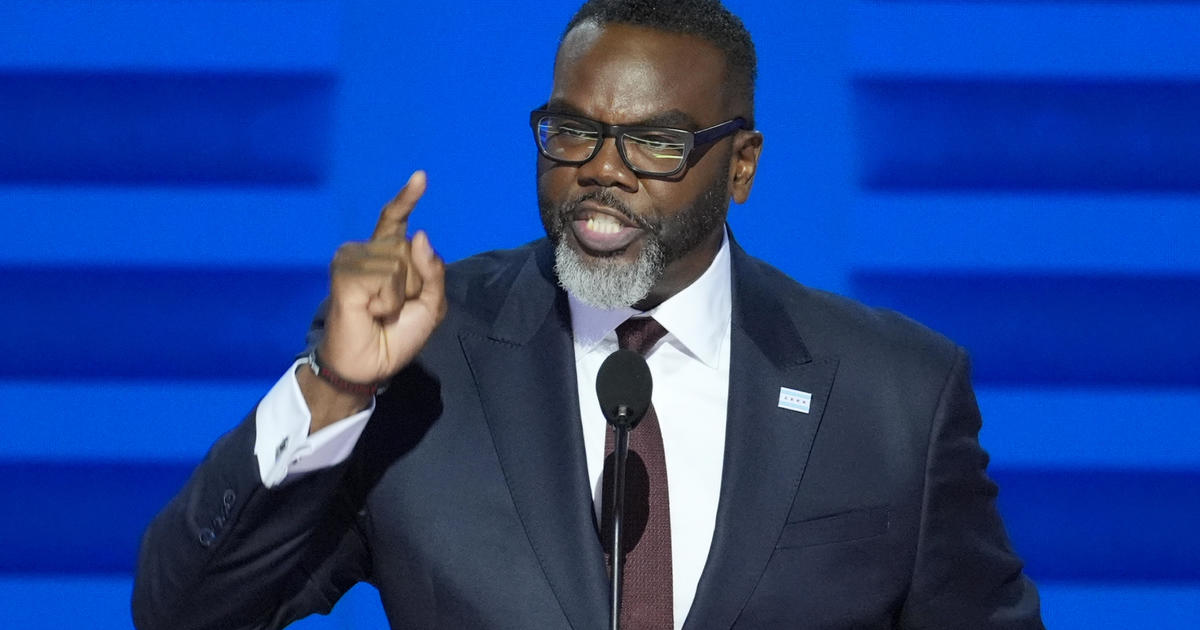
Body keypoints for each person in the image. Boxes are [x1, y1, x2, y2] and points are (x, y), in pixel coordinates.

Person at [133, 1, 1044, 628]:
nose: (602, 168)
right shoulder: (423, 364)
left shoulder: (895, 396)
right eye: (572, 130)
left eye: (656, 141)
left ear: (742, 166)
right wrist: (334, 391)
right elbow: (187, 612)